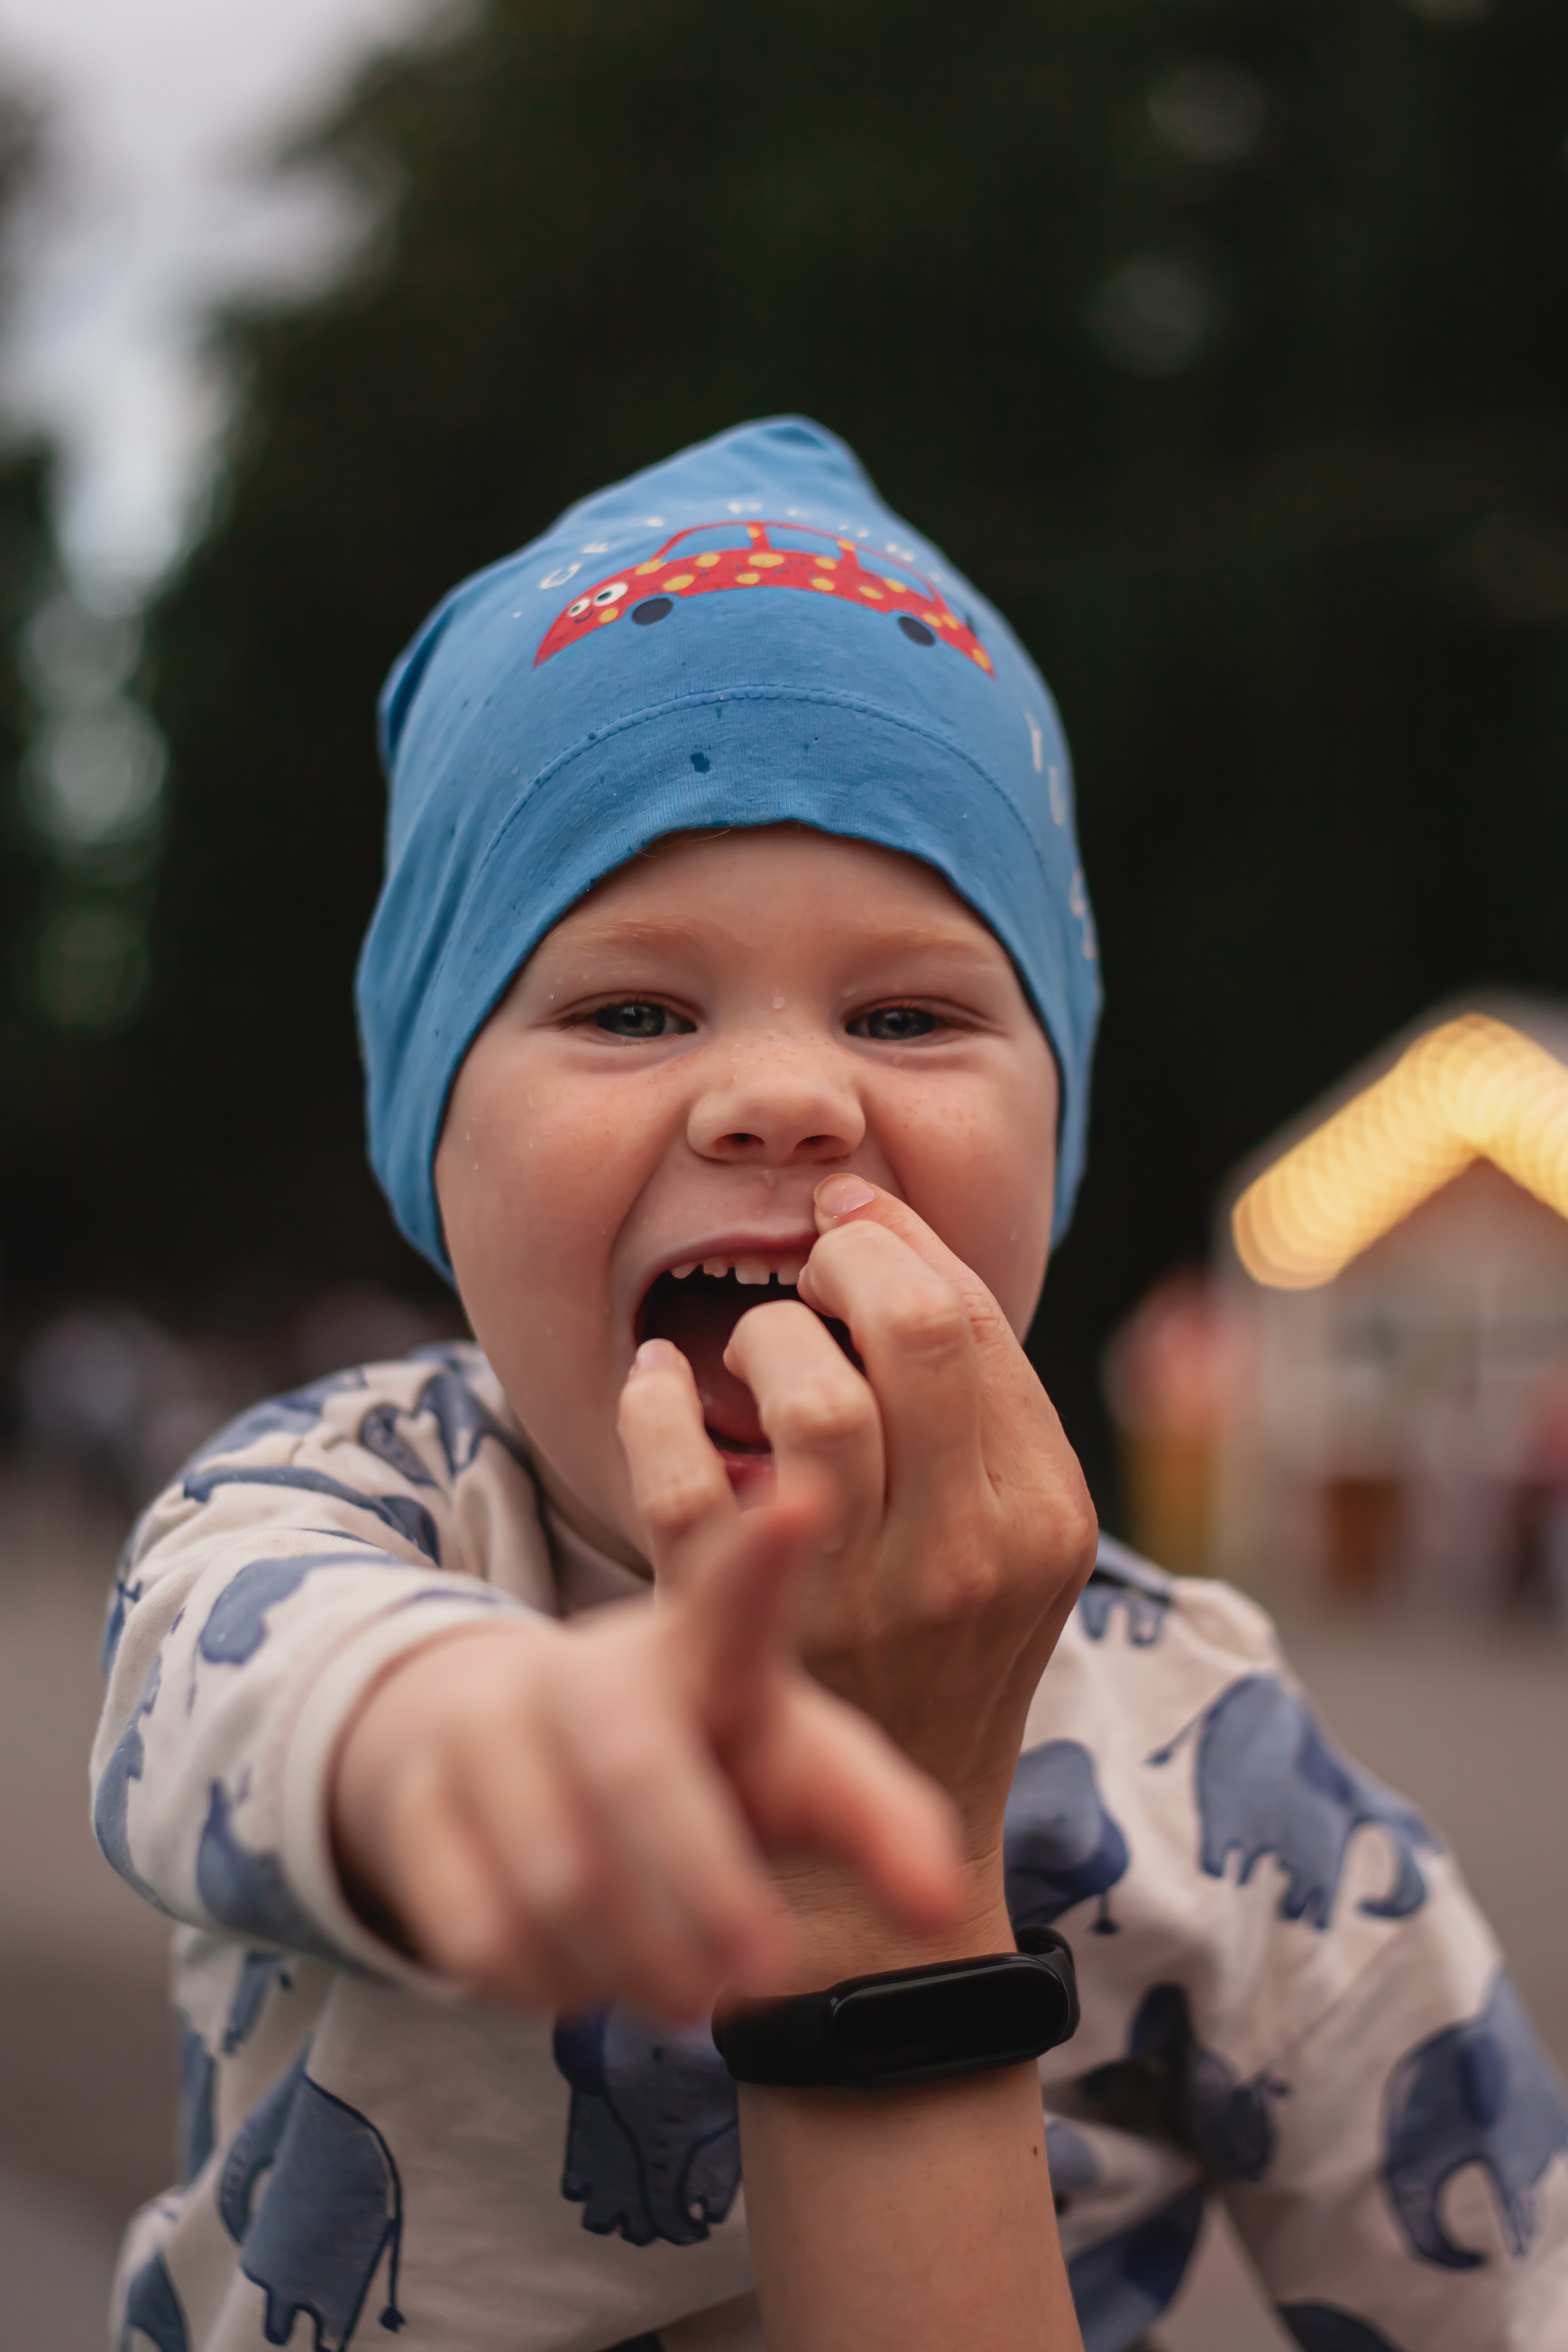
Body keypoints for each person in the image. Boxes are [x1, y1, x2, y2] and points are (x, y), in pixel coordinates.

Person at [95, 420, 1567, 2352]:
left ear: (1059, 1150)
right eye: (632, 1009)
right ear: (429, 1143)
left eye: (909, 1013)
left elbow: (1495, 2260)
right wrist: (484, 1743)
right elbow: (253, 1694)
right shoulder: (338, 1510)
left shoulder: (1213, 1752)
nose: (790, 1091)